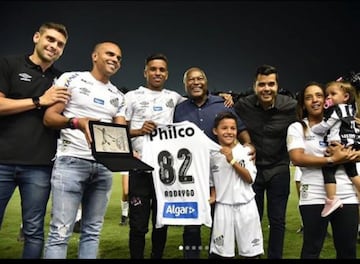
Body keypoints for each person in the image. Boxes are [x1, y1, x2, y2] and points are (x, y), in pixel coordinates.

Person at [43, 41, 126, 259]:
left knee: (92, 233)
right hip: (71, 160)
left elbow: (119, 133)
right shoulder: (71, 79)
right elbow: (49, 118)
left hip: (104, 168)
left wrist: (127, 152)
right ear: (95, 56)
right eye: (110, 54)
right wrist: (77, 122)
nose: (115, 59)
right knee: (60, 233)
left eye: (118, 57)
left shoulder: (118, 95)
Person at [0, 22, 69, 259]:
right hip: (2, 161)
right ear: (36, 37)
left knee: (34, 231)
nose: (54, 46)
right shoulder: (9, 64)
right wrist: (40, 100)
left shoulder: (62, 79)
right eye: (50, 39)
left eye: (60, 44)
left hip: (40, 165)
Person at [173, 67, 254, 258]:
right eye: (190, 80)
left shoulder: (222, 104)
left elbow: (239, 128)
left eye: (199, 78)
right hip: (192, 175)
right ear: (185, 84)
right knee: (192, 226)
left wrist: (249, 144)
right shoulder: (179, 109)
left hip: (221, 173)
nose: (195, 82)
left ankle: (215, 254)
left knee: (219, 223)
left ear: (206, 81)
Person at [286, 81, 359, 259]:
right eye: (309, 97)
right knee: (312, 249)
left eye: (320, 95)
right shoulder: (298, 127)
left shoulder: (346, 122)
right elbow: (297, 158)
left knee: (348, 250)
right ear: (303, 103)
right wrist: (332, 160)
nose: (315, 100)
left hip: (346, 193)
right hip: (314, 195)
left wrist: (350, 155)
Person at [125, 53, 185, 259]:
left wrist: (223, 97)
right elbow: (118, 130)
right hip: (139, 168)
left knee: (161, 223)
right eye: (153, 69)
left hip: (165, 172)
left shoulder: (174, 98)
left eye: (161, 70)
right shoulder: (132, 97)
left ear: (167, 74)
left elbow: (198, 104)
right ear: (145, 72)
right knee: (138, 225)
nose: (157, 73)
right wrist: (138, 131)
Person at [233, 64, 297, 259]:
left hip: (279, 168)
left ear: (277, 86)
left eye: (271, 84)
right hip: (253, 171)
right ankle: (253, 254)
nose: (266, 88)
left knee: (278, 220)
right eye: (262, 84)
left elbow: (316, 114)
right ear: (255, 86)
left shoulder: (291, 106)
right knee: (253, 218)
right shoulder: (243, 105)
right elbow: (226, 123)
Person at [208, 111, 263, 259]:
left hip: (246, 206)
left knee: (251, 253)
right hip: (223, 207)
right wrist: (213, 195)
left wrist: (232, 160)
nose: (229, 132)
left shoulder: (246, 151)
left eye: (232, 128)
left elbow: (249, 178)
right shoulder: (212, 155)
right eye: (224, 128)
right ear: (215, 131)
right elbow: (211, 180)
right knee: (222, 253)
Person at [310, 80, 360, 217]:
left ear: (345, 97)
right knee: (352, 172)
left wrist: (314, 128)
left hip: (337, 144)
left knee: (328, 169)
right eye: (327, 95)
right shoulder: (352, 109)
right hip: (351, 143)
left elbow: (326, 125)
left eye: (333, 94)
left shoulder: (337, 110)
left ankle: (332, 199)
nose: (328, 98)